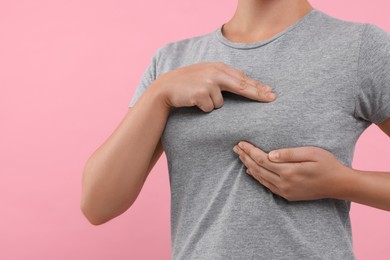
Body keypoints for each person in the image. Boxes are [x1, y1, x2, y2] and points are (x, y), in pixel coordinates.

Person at [80, 0, 390, 259]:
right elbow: (98, 204)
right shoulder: (172, 61)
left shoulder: (361, 48)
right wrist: (159, 95)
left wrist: (343, 182)